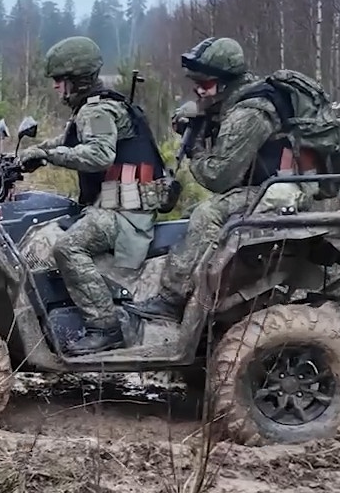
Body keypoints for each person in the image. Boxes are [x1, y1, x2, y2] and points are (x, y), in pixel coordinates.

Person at [132, 37, 315, 324]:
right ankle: (209, 291)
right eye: (196, 84)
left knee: (208, 214)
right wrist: (197, 115)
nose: (199, 91)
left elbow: (218, 177)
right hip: (266, 183)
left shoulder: (250, 113)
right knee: (200, 214)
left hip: (282, 190)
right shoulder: (240, 96)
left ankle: (172, 299)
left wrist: (196, 150)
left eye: (205, 85)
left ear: (227, 82)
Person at [10, 36, 171, 356]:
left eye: (59, 80)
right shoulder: (95, 107)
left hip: (127, 209)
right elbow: (68, 141)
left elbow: (99, 156)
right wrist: (37, 152)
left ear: (76, 80)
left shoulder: (95, 110)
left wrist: (50, 157)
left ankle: (105, 328)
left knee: (68, 247)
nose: (55, 87)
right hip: (124, 202)